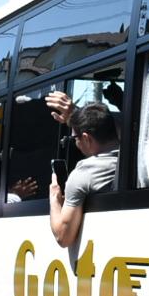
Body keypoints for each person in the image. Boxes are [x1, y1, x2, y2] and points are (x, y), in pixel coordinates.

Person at [49, 104, 120, 248]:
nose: (75, 142)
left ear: (87, 138)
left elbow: (63, 237)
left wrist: (55, 200)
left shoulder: (84, 173)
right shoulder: (138, 157)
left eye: (75, 137)